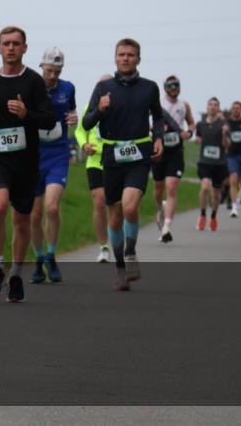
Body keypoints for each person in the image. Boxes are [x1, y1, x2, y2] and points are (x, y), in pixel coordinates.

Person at [0, 26, 56, 303]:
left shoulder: (33, 82)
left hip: (25, 161)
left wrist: (26, 113)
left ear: (25, 48)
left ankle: (17, 274)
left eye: (16, 43)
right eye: (6, 43)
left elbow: (49, 120)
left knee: (22, 219)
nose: (11, 48)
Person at [81, 38, 165, 291]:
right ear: (115, 58)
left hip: (139, 154)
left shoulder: (149, 87)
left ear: (138, 59)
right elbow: (86, 123)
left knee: (130, 207)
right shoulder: (103, 88)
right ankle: (120, 268)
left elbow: (158, 116)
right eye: (121, 54)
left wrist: (158, 138)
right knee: (115, 216)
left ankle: (130, 253)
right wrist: (100, 110)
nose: (125, 58)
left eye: (130, 54)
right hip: (111, 157)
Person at [30, 47, 77, 284]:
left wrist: (74, 118)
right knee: (34, 213)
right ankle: (38, 259)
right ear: (41, 67)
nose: (53, 76)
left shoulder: (68, 88)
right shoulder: (30, 86)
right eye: (49, 71)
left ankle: (51, 255)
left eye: (57, 71)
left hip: (58, 153)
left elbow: (71, 113)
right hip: (33, 154)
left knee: (52, 208)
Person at [151, 76, 195, 244]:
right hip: (158, 149)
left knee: (171, 188)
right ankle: (159, 209)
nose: (174, 88)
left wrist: (189, 133)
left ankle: (166, 227)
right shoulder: (158, 103)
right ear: (165, 88)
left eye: (177, 85)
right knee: (157, 189)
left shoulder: (184, 105)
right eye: (171, 86)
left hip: (176, 151)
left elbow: (191, 123)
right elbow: (147, 120)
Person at [74, 75, 114, 263]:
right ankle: (103, 247)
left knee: (116, 205)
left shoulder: (119, 108)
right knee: (99, 201)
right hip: (95, 162)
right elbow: (80, 131)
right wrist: (84, 146)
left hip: (116, 161)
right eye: (100, 85)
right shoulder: (88, 108)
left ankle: (119, 240)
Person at [194, 97, 230, 231]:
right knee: (204, 188)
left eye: (215, 105)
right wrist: (197, 139)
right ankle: (202, 216)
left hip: (219, 164)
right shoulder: (201, 124)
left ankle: (213, 217)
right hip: (204, 162)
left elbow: (227, 145)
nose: (213, 107)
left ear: (218, 108)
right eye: (210, 104)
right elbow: (198, 138)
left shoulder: (223, 125)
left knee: (216, 193)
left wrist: (224, 135)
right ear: (207, 107)